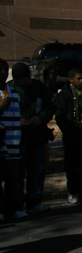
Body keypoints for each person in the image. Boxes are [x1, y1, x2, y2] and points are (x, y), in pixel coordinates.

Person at [12, 63, 54, 214]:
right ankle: (17, 204)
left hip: (37, 134)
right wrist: (17, 121)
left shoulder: (40, 88)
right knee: (17, 173)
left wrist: (41, 118)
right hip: (18, 137)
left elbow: (50, 106)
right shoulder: (10, 89)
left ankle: (34, 202)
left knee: (37, 170)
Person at [55, 68, 82, 206]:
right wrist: (68, 131)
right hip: (71, 135)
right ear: (70, 80)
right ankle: (73, 192)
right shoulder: (65, 94)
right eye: (78, 79)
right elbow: (60, 115)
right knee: (72, 166)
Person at [0, 58, 24, 220]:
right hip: (0, 142)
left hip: (14, 140)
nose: (3, 72)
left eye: (5, 69)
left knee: (13, 178)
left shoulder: (13, 92)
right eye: (0, 69)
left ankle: (13, 208)